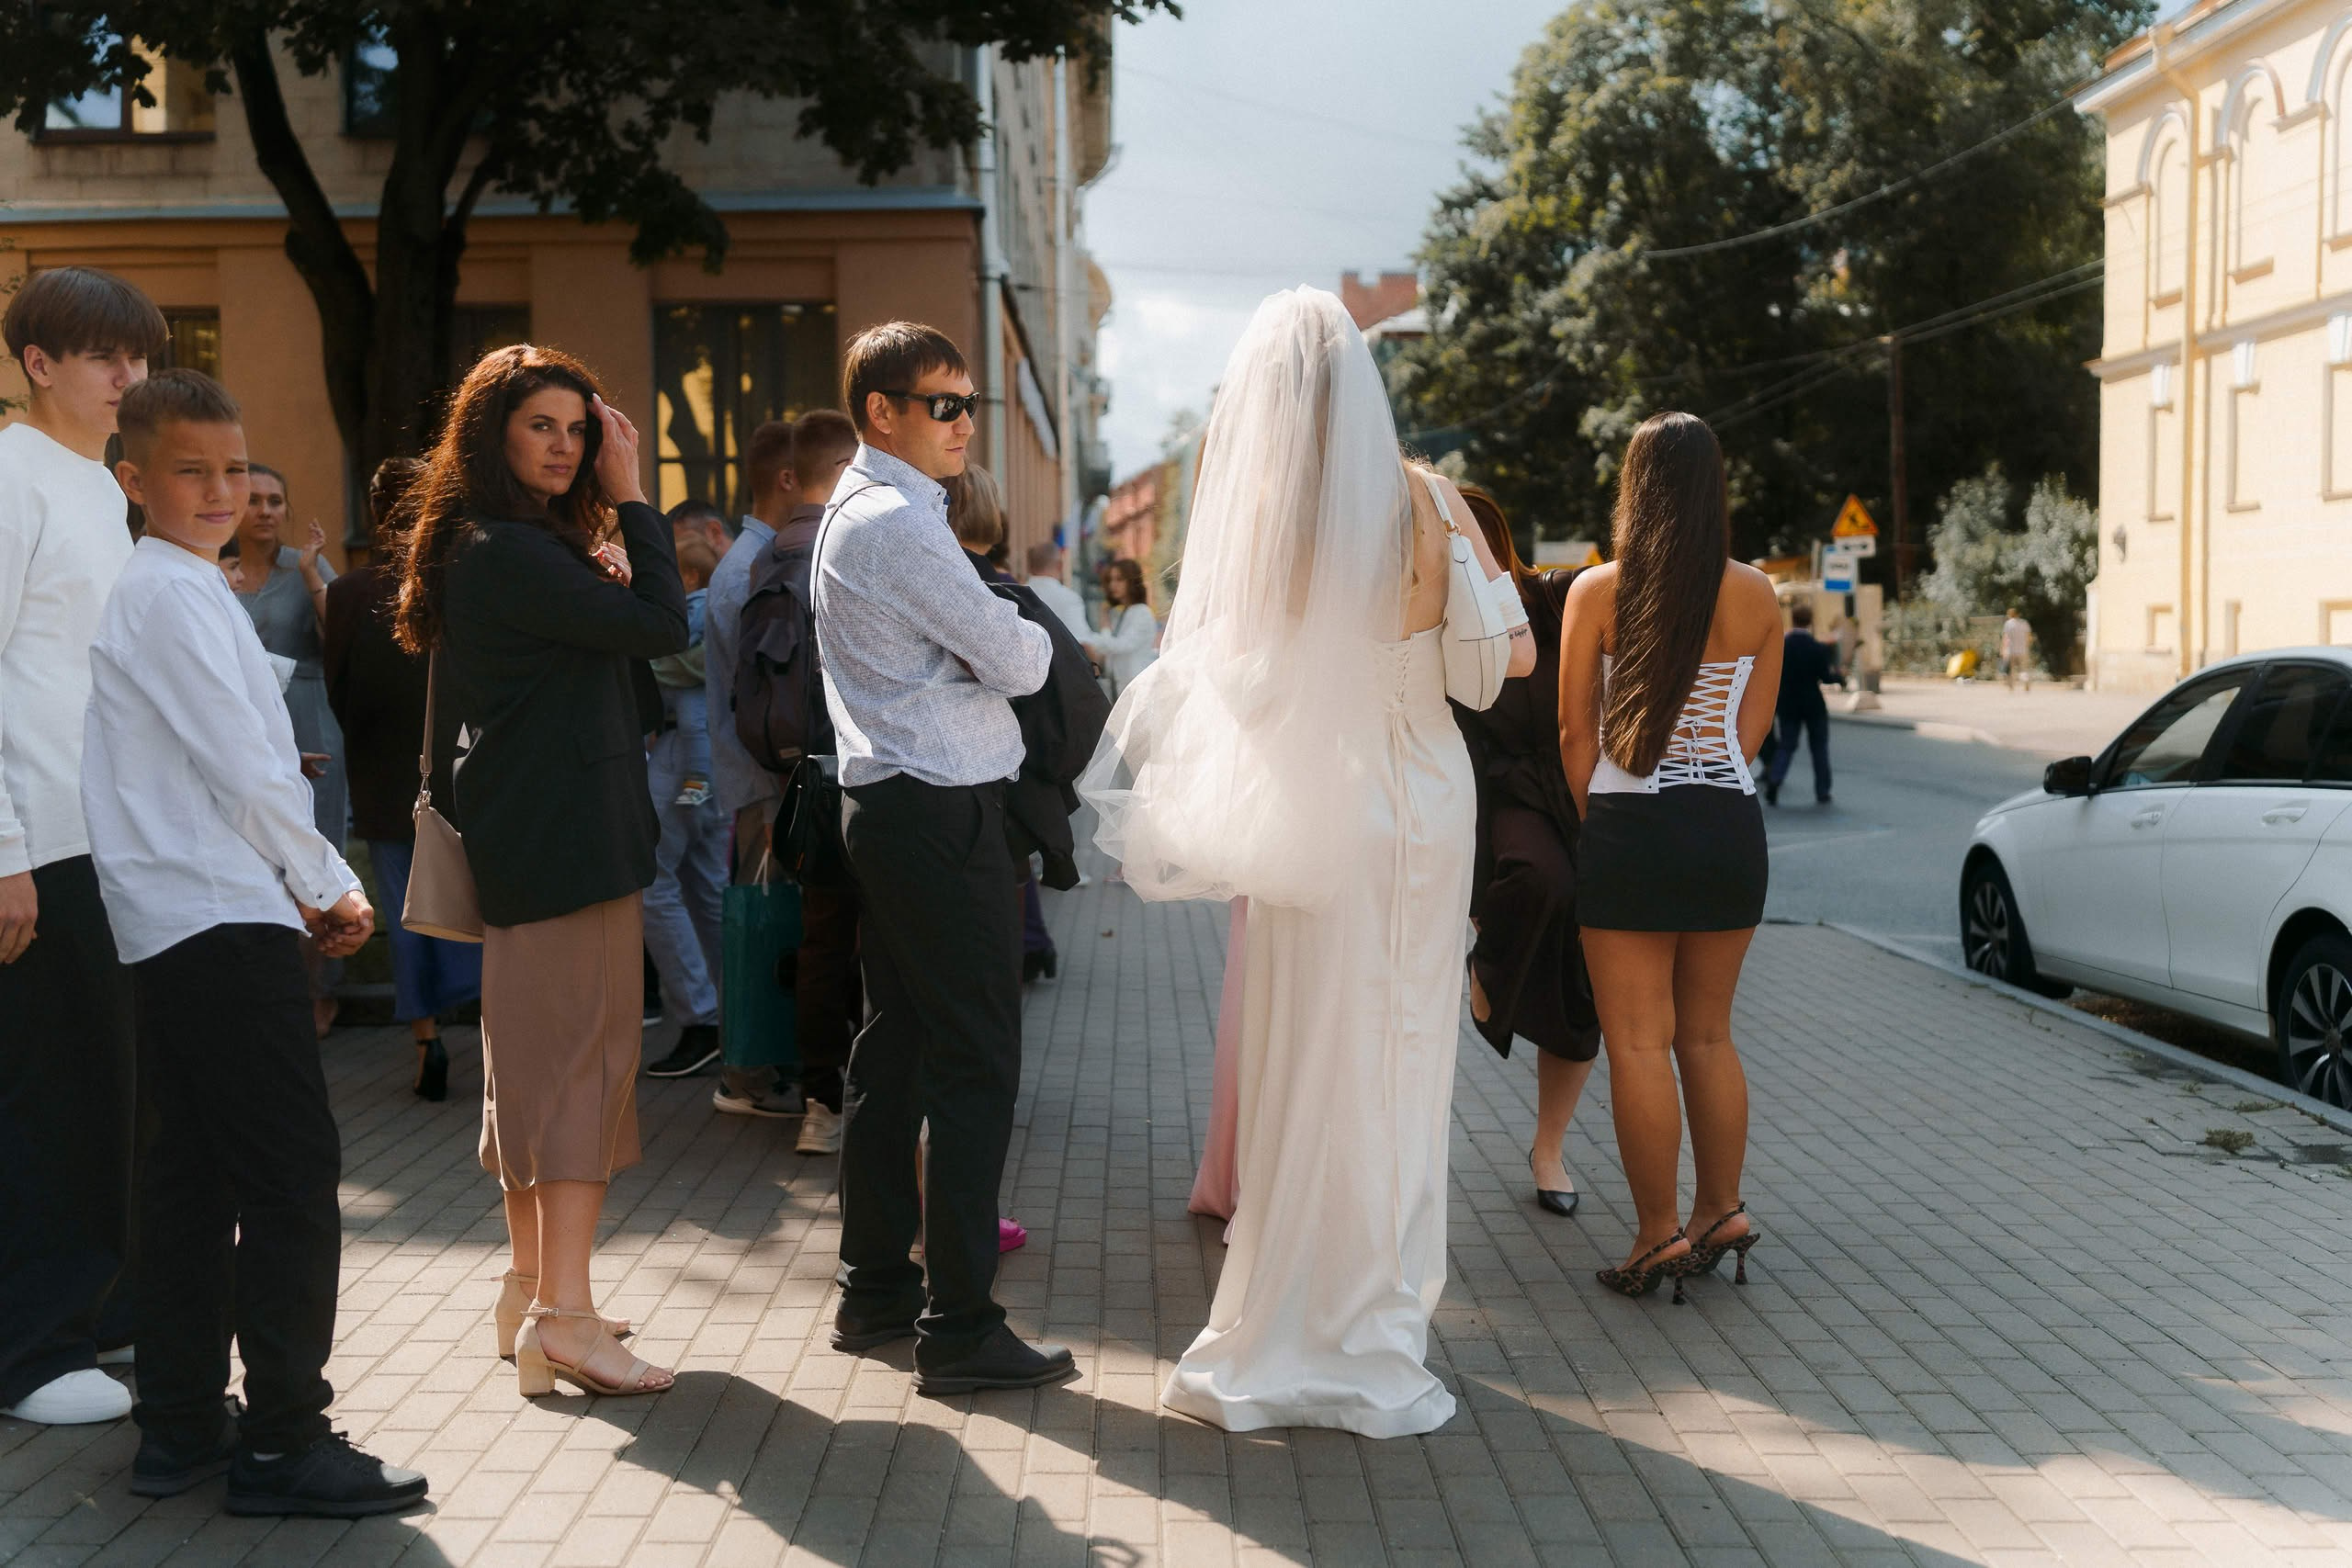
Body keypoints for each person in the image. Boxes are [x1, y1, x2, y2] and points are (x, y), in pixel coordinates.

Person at [1081, 287, 1531, 1436]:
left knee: (1310, 1054)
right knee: (1407, 1054)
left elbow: (1235, 680)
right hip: (1432, 796)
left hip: (1327, 807)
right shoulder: (1433, 499)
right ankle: (1382, 1314)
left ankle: (1292, 1312)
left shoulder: (1272, 520)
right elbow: (1509, 654)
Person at [86, 368, 426, 1514]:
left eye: (233, 467)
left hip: (187, 915)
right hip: (216, 917)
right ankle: (285, 1443)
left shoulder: (175, 587)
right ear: (133, 481)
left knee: (189, 1177)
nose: (221, 489)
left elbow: (226, 762)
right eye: (191, 471)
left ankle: (182, 1425)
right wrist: (327, 881)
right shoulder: (174, 595)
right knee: (290, 1178)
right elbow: (244, 766)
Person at [392, 344, 685, 1399]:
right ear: (494, 437)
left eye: (578, 429)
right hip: (567, 845)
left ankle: (531, 1292)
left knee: (531, 1073)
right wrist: (635, 498)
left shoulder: (494, 546)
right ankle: (564, 1318)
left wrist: (599, 560)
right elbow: (664, 629)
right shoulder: (511, 551)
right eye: (542, 428)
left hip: (533, 839)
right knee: (579, 1078)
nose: (566, 448)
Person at [814, 321, 1068, 1394]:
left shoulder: (864, 507)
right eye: (944, 405)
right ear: (883, 412)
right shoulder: (897, 523)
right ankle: (959, 1327)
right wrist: (1018, 635)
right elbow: (1019, 658)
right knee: (974, 1063)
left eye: (970, 403)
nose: (965, 424)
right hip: (937, 810)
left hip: (896, 806)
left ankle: (874, 1288)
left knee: (900, 1053)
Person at [1559, 411, 1781, 1303]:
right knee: (1709, 1034)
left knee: (1639, 1044)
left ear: (1635, 488)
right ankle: (1721, 1210)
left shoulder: (1597, 590)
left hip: (1631, 824)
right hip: (1727, 824)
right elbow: (1748, 734)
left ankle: (1656, 1237)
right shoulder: (1759, 594)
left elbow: (1576, 733)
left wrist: (1602, 820)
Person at [0, 265, 159, 1428]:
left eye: (139, 356)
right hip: (39, 844)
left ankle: (100, 1312)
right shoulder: (13, 479)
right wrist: (2, 849)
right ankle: (31, 1351)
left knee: (116, 1091)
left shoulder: (102, 487)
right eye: (105, 356)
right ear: (38, 363)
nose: (128, 377)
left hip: (110, 841)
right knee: (51, 1100)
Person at [1451, 483, 1603, 1218]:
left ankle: (1550, 1149)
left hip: (1589, 795)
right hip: (1511, 796)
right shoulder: (1450, 635)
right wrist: (1480, 898)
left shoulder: (1557, 596)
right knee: (1543, 878)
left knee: (1581, 986)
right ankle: (1487, 967)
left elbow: (1628, 592)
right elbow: (1465, 762)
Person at [322, 456, 481, 1101]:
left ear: (372, 510)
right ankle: (492, 1033)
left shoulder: (349, 592)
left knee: (405, 905)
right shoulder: (460, 584)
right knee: (472, 901)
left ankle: (426, 1041)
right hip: (459, 768)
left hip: (383, 774)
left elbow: (339, 688)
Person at [746, 408, 863, 1156]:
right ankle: (877, 1096)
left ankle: (820, 1099)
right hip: (865, 770)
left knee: (822, 942)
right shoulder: (852, 545)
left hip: (799, 780)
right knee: (880, 941)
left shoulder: (768, 557)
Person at [697, 420, 803, 1116]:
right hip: (765, 783)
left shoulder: (753, 559)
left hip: (760, 781)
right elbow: (760, 697)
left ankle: (754, 1067)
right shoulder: (751, 569)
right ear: (789, 481)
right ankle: (747, 1074)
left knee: (764, 920)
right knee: (761, 923)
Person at [226, 462, 349, 1036]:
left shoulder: (307, 564)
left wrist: (310, 576)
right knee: (255, 860)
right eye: (254, 500)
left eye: (275, 501)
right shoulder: (214, 568)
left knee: (316, 853)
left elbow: (342, 640)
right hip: (243, 726)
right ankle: (266, 995)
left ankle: (319, 990)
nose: (266, 511)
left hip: (307, 718)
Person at [946, 467, 1061, 990]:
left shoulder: (963, 586)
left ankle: (1023, 950)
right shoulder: (1011, 586)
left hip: (975, 765)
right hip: (1019, 756)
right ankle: (1029, 945)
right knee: (1013, 866)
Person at [635, 505, 729, 1080]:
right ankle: (732, 1011)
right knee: (708, 888)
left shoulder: (695, 614)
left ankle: (701, 1016)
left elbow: (671, 667)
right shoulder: (725, 600)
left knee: (651, 882)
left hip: (684, 764)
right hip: (715, 767)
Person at [1763, 600, 1839, 808]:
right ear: (1810, 621)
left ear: (1793, 619)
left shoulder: (1782, 646)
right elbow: (1826, 677)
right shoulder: (1818, 648)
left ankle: (1774, 781)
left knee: (1787, 745)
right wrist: (1839, 676)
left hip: (1788, 703)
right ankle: (1823, 791)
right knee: (1819, 748)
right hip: (1814, 704)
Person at [1085, 558, 1159, 694]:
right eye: (1110, 580)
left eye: (1119, 579)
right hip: (1123, 687)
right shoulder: (1122, 613)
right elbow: (1109, 652)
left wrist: (1094, 635)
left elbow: (1121, 646)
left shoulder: (1142, 613)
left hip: (1139, 687)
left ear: (1131, 581)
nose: (1113, 585)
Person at [1023, 539, 1091, 643]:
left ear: (1029, 566)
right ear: (1060, 565)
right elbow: (1082, 642)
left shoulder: (1014, 596)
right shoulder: (1069, 599)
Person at [1999, 607, 2032, 692]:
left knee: (2011, 670)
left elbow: (2005, 638)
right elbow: (2029, 637)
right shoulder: (2024, 623)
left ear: (2010, 615)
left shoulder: (2008, 624)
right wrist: (2027, 646)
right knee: (2023, 669)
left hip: (2011, 650)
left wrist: (2003, 649)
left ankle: (2011, 686)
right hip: (2023, 650)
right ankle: (2026, 681)